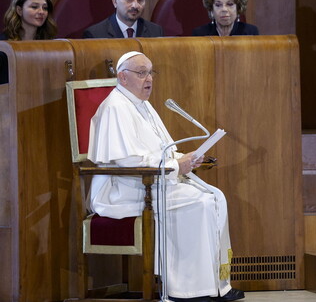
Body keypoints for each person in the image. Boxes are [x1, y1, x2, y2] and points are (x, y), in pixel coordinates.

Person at [87, 51, 244, 302]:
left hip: (152, 181)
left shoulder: (143, 105)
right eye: (141, 73)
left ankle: (213, 286)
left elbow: (161, 149)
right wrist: (174, 166)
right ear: (122, 77)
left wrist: (186, 158)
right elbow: (129, 161)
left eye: (151, 72)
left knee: (214, 197)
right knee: (198, 202)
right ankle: (185, 291)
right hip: (125, 187)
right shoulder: (116, 106)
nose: (149, 78)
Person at [192, 0, 259, 37]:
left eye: (230, 4)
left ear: (238, 8)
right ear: (211, 9)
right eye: (218, 5)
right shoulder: (200, 34)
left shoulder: (250, 33)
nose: (224, 9)